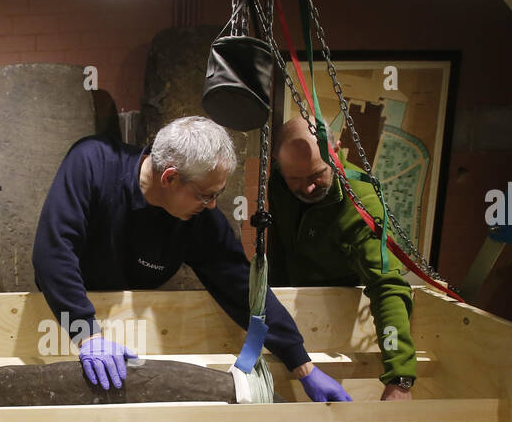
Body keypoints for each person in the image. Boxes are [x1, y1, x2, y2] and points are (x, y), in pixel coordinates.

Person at [31, 115, 350, 400]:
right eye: (206, 194)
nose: (212, 205)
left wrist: (302, 364)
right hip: (64, 320)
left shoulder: (198, 218)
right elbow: (53, 254)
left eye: (217, 194)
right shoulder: (92, 163)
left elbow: (241, 286)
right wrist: (86, 333)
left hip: (126, 335)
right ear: (169, 178)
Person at [267, 117, 417, 404]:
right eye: (295, 179)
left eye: (316, 175)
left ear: (336, 150)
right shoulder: (278, 180)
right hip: (290, 313)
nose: (307, 188)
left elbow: (387, 286)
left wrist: (400, 378)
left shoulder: (362, 205)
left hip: (341, 316)